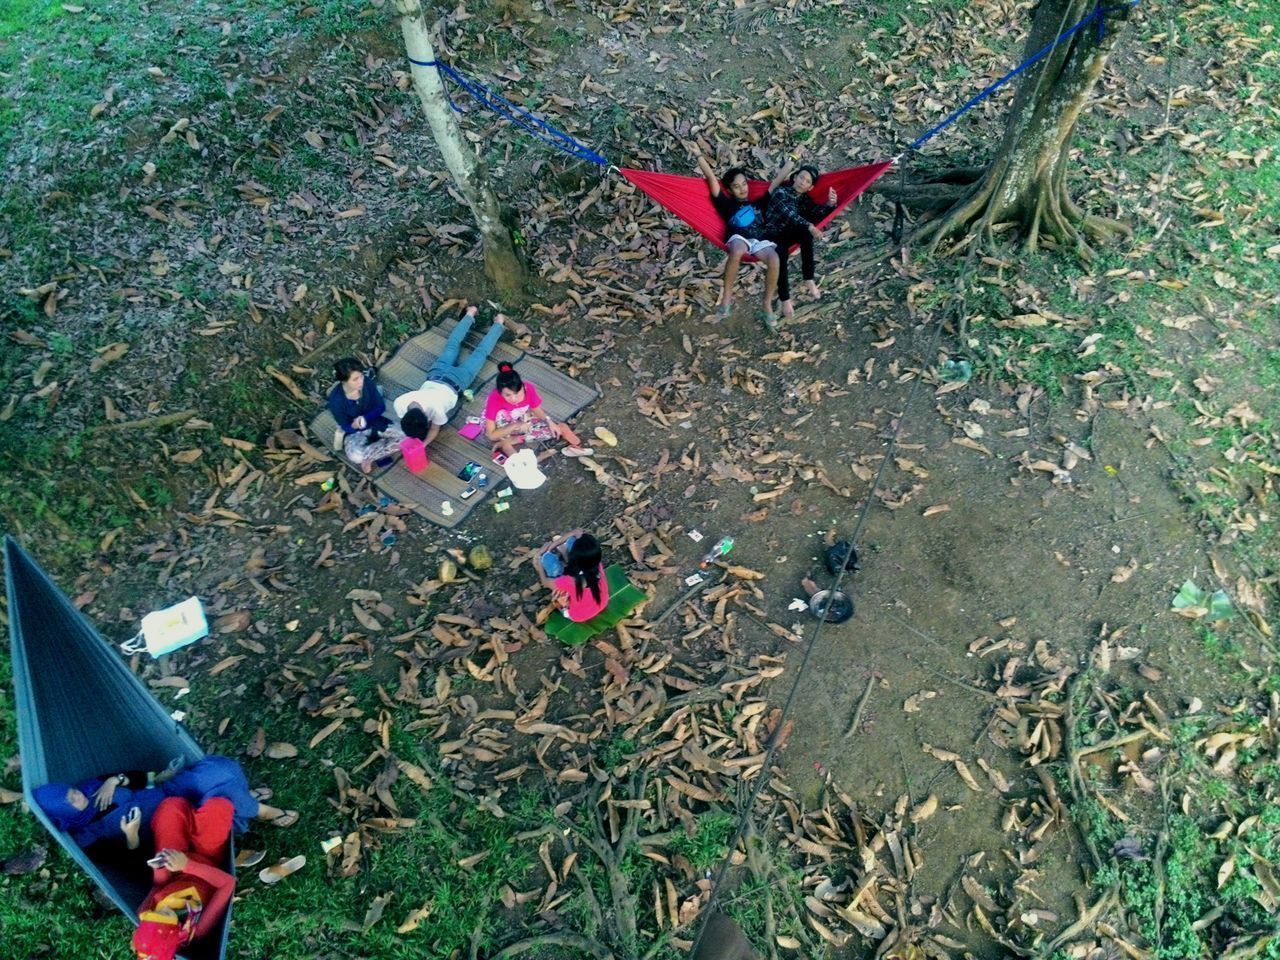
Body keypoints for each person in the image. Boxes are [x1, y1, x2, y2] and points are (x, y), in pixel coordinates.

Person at [33, 756, 296, 853]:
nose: (77, 795)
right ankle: (258, 810)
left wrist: (115, 779)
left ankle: (245, 802)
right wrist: (132, 835)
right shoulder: (86, 834)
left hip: (167, 790)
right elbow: (124, 862)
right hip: (169, 823)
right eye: (70, 801)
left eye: (71, 791)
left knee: (218, 769)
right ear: (64, 814)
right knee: (218, 801)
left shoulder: (91, 787)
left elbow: (141, 780)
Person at [131, 796, 236, 960]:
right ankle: (199, 819)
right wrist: (187, 865)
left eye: (155, 913)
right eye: (165, 916)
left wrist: (160, 867)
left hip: (175, 864)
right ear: (175, 930)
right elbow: (227, 883)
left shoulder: (144, 913)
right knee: (219, 807)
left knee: (171, 807)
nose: (163, 910)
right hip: (209, 861)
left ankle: (191, 812)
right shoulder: (198, 928)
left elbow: (159, 887)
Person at [395, 305, 505, 450]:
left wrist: (424, 444)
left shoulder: (435, 409)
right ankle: (470, 314)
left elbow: (434, 429)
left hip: (458, 381)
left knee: (480, 354)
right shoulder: (401, 402)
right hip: (436, 374)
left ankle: (498, 324)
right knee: (452, 345)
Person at [696, 156, 782, 322]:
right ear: (729, 190)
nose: (742, 189)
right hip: (739, 238)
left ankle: (766, 305)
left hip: (758, 240)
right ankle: (726, 298)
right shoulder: (726, 204)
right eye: (736, 186)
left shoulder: (759, 203)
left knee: (774, 258)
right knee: (737, 250)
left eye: (744, 184)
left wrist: (794, 157)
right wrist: (699, 155)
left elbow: (777, 181)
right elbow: (711, 178)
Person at [761, 161, 837, 320]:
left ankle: (808, 278)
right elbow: (789, 214)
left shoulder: (804, 199)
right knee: (781, 255)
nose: (803, 182)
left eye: (808, 181)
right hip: (771, 234)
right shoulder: (780, 192)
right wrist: (809, 226)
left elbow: (816, 213)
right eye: (801, 177)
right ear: (795, 178)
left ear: (810, 188)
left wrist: (830, 204)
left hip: (789, 233)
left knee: (805, 233)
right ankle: (785, 299)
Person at [484, 362, 591, 458]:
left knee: (553, 430)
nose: (513, 399)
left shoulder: (528, 389)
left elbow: (535, 409)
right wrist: (515, 425)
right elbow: (491, 435)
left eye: (517, 393)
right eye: (507, 395)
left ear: (522, 387)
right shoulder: (494, 399)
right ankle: (506, 442)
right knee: (501, 419)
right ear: (500, 393)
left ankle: (510, 441)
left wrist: (549, 421)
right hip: (501, 425)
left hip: (521, 418)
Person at [327, 358, 403, 474]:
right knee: (356, 456)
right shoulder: (336, 401)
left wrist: (366, 418)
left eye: (361, 376)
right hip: (356, 433)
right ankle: (378, 448)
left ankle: (370, 457)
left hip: (376, 422)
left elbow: (380, 406)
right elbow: (346, 427)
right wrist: (353, 425)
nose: (360, 382)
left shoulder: (367, 383)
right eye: (355, 379)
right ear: (344, 381)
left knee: (405, 436)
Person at [537, 532, 609, 623]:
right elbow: (578, 532)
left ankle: (563, 552)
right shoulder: (594, 561)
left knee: (548, 560)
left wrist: (539, 559)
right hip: (602, 602)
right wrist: (555, 544)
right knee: (573, 542)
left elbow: (545, 582)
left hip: (578, 615)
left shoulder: (570, 581)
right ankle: (564, 551)